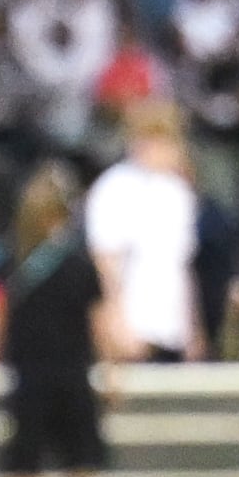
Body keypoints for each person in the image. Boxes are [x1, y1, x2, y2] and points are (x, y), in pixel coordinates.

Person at [0, 167, 118, 477]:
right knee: (83, 468)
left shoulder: (9, 264)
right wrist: (113, 370)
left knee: (24, 471)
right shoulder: (80, 265)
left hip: (28, 379)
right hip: (73, 377)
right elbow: (101, 324)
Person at [81, 104, 202, 363]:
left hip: (173, 329)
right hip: (134, 329)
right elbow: (105, 262)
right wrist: (117, 324)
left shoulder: (178, 192)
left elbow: (182, 265)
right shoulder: (114, 187)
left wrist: (193, 329)